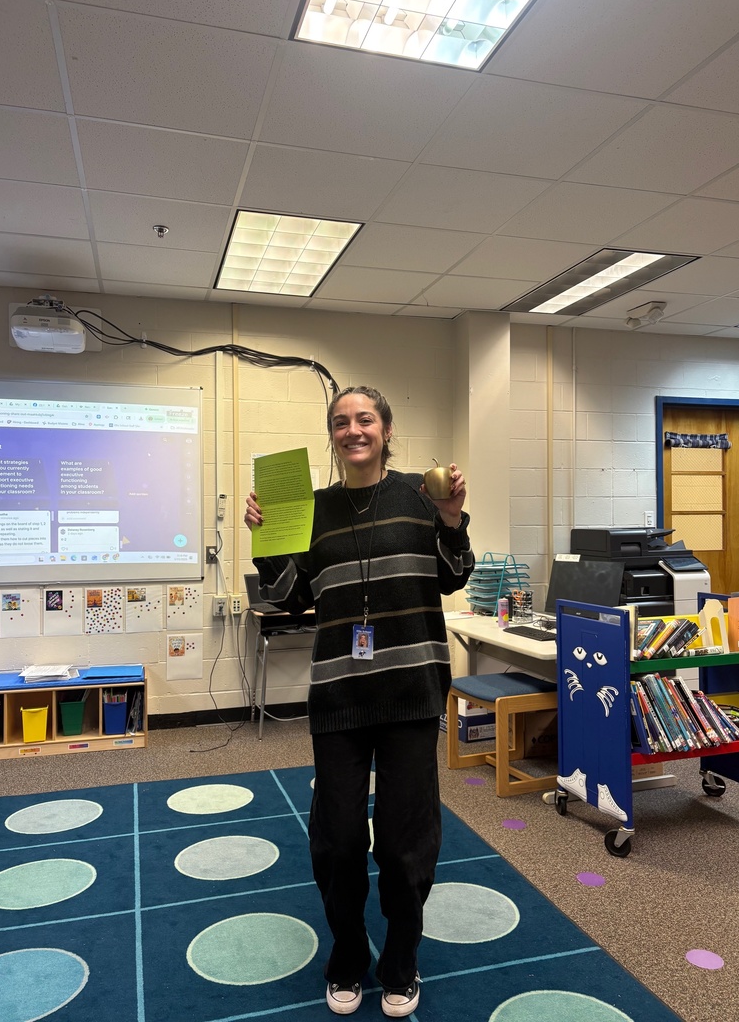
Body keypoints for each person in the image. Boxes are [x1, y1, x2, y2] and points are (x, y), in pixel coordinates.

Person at [244, 385, 473, 1017]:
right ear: (333, 436)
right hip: (340, 696)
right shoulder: (307, 507)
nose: (353, 430)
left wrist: (452, 519)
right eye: (341, 422)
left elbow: (455, 573)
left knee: (405, 844)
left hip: (411, 693)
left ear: (387, 429)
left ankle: (401, 955)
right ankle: (347, 952)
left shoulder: (422, 498)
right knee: (337, 841)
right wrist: (267, 542)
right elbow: (288, 596)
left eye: (364, 419)